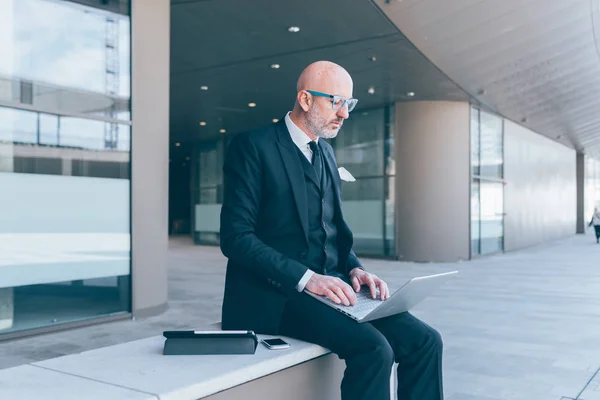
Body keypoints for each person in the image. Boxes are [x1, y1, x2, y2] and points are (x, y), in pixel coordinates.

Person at [219, 61, 444, 400]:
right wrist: (308, 278)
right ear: (306, 99)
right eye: (336, 101)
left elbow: (332, 232)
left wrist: (355, 268)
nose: (345, 114)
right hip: (277, 295)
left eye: (349, 104)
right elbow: (236, 238)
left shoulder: (325, 150)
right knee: (374, 350)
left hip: (332, 289)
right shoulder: (253, 147)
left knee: (426, 340)